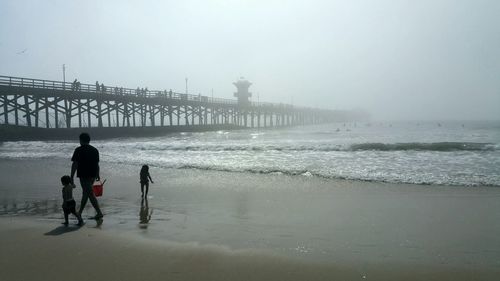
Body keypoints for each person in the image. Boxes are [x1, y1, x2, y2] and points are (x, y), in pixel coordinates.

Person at [71, 133, 104, 220]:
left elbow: (75, 164)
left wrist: (71, 177)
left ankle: (99, 212)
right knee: (86, 193)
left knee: (89, 193)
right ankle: (80, 212)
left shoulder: (78, 150)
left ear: (81, 140)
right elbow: (97, 164)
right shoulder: (95, 150)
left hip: (83, 175)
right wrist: (97, 174)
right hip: (92, 175)